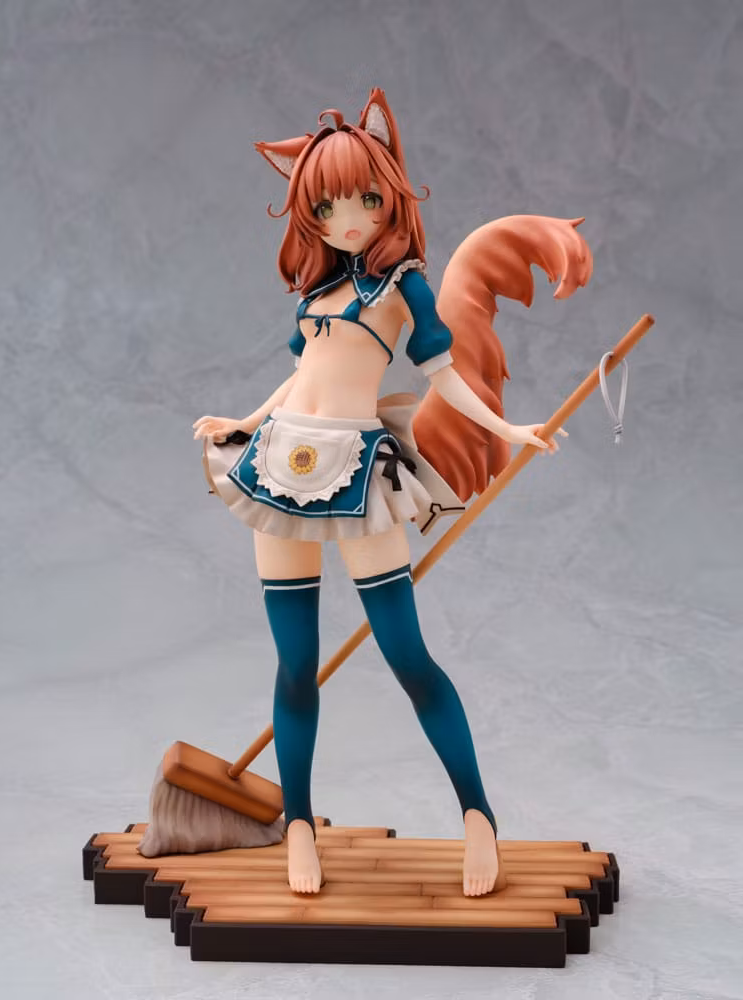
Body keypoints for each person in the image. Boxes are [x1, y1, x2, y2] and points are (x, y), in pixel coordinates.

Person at [194, 88, 591, 896]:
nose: (347, 220)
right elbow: (303, 375)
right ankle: (298, 824)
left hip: (357, 476)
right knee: (296, 664)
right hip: (278, 468)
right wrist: (244, 420)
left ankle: (477, 815)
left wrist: (510, 429)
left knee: (407, 655)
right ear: (307, 211)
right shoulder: (317, 292)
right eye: (326, 206)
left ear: (390, 197)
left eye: (364, 200)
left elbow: (443, 373)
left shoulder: (401, 287)